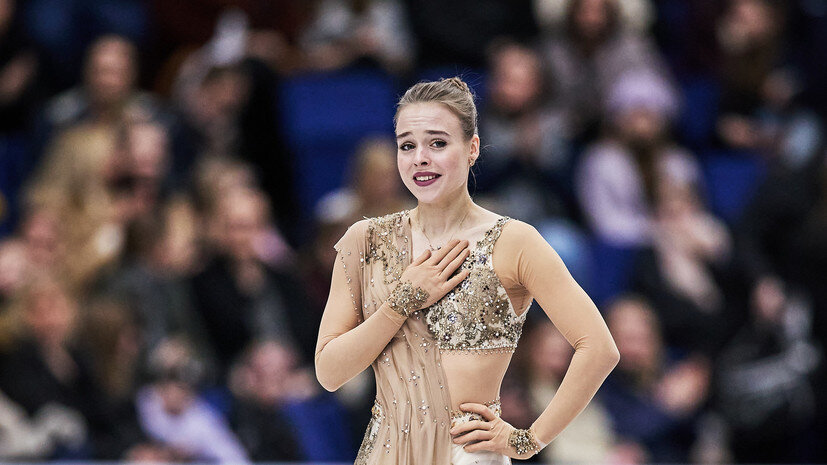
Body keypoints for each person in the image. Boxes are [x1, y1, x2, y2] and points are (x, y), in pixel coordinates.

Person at [315, 77, 619, 464]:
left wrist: (528, 440)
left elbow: (599, 348)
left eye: (438, 143)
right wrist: (401, 302)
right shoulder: (365, 239)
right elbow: (328, 372)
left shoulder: (515, 241)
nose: (419, 158)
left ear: (472, 148)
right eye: (407, 145)